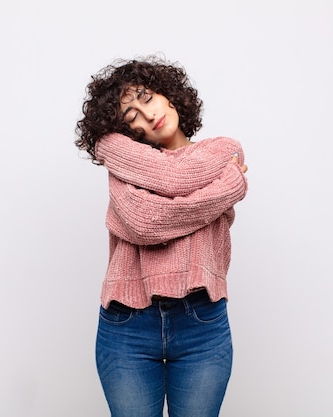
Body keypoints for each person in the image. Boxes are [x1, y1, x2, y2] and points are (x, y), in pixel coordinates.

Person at [74, 54, 249, 417]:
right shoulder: (126, 168)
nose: (148, 114)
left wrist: (111, 149)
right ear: (126, 134)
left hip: (201, 324)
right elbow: (144, 222)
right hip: (127, 327)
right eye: (131, 116)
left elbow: (170, 184)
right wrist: (229, 187)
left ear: (168, 94)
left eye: (147, 97)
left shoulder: (224, 150)